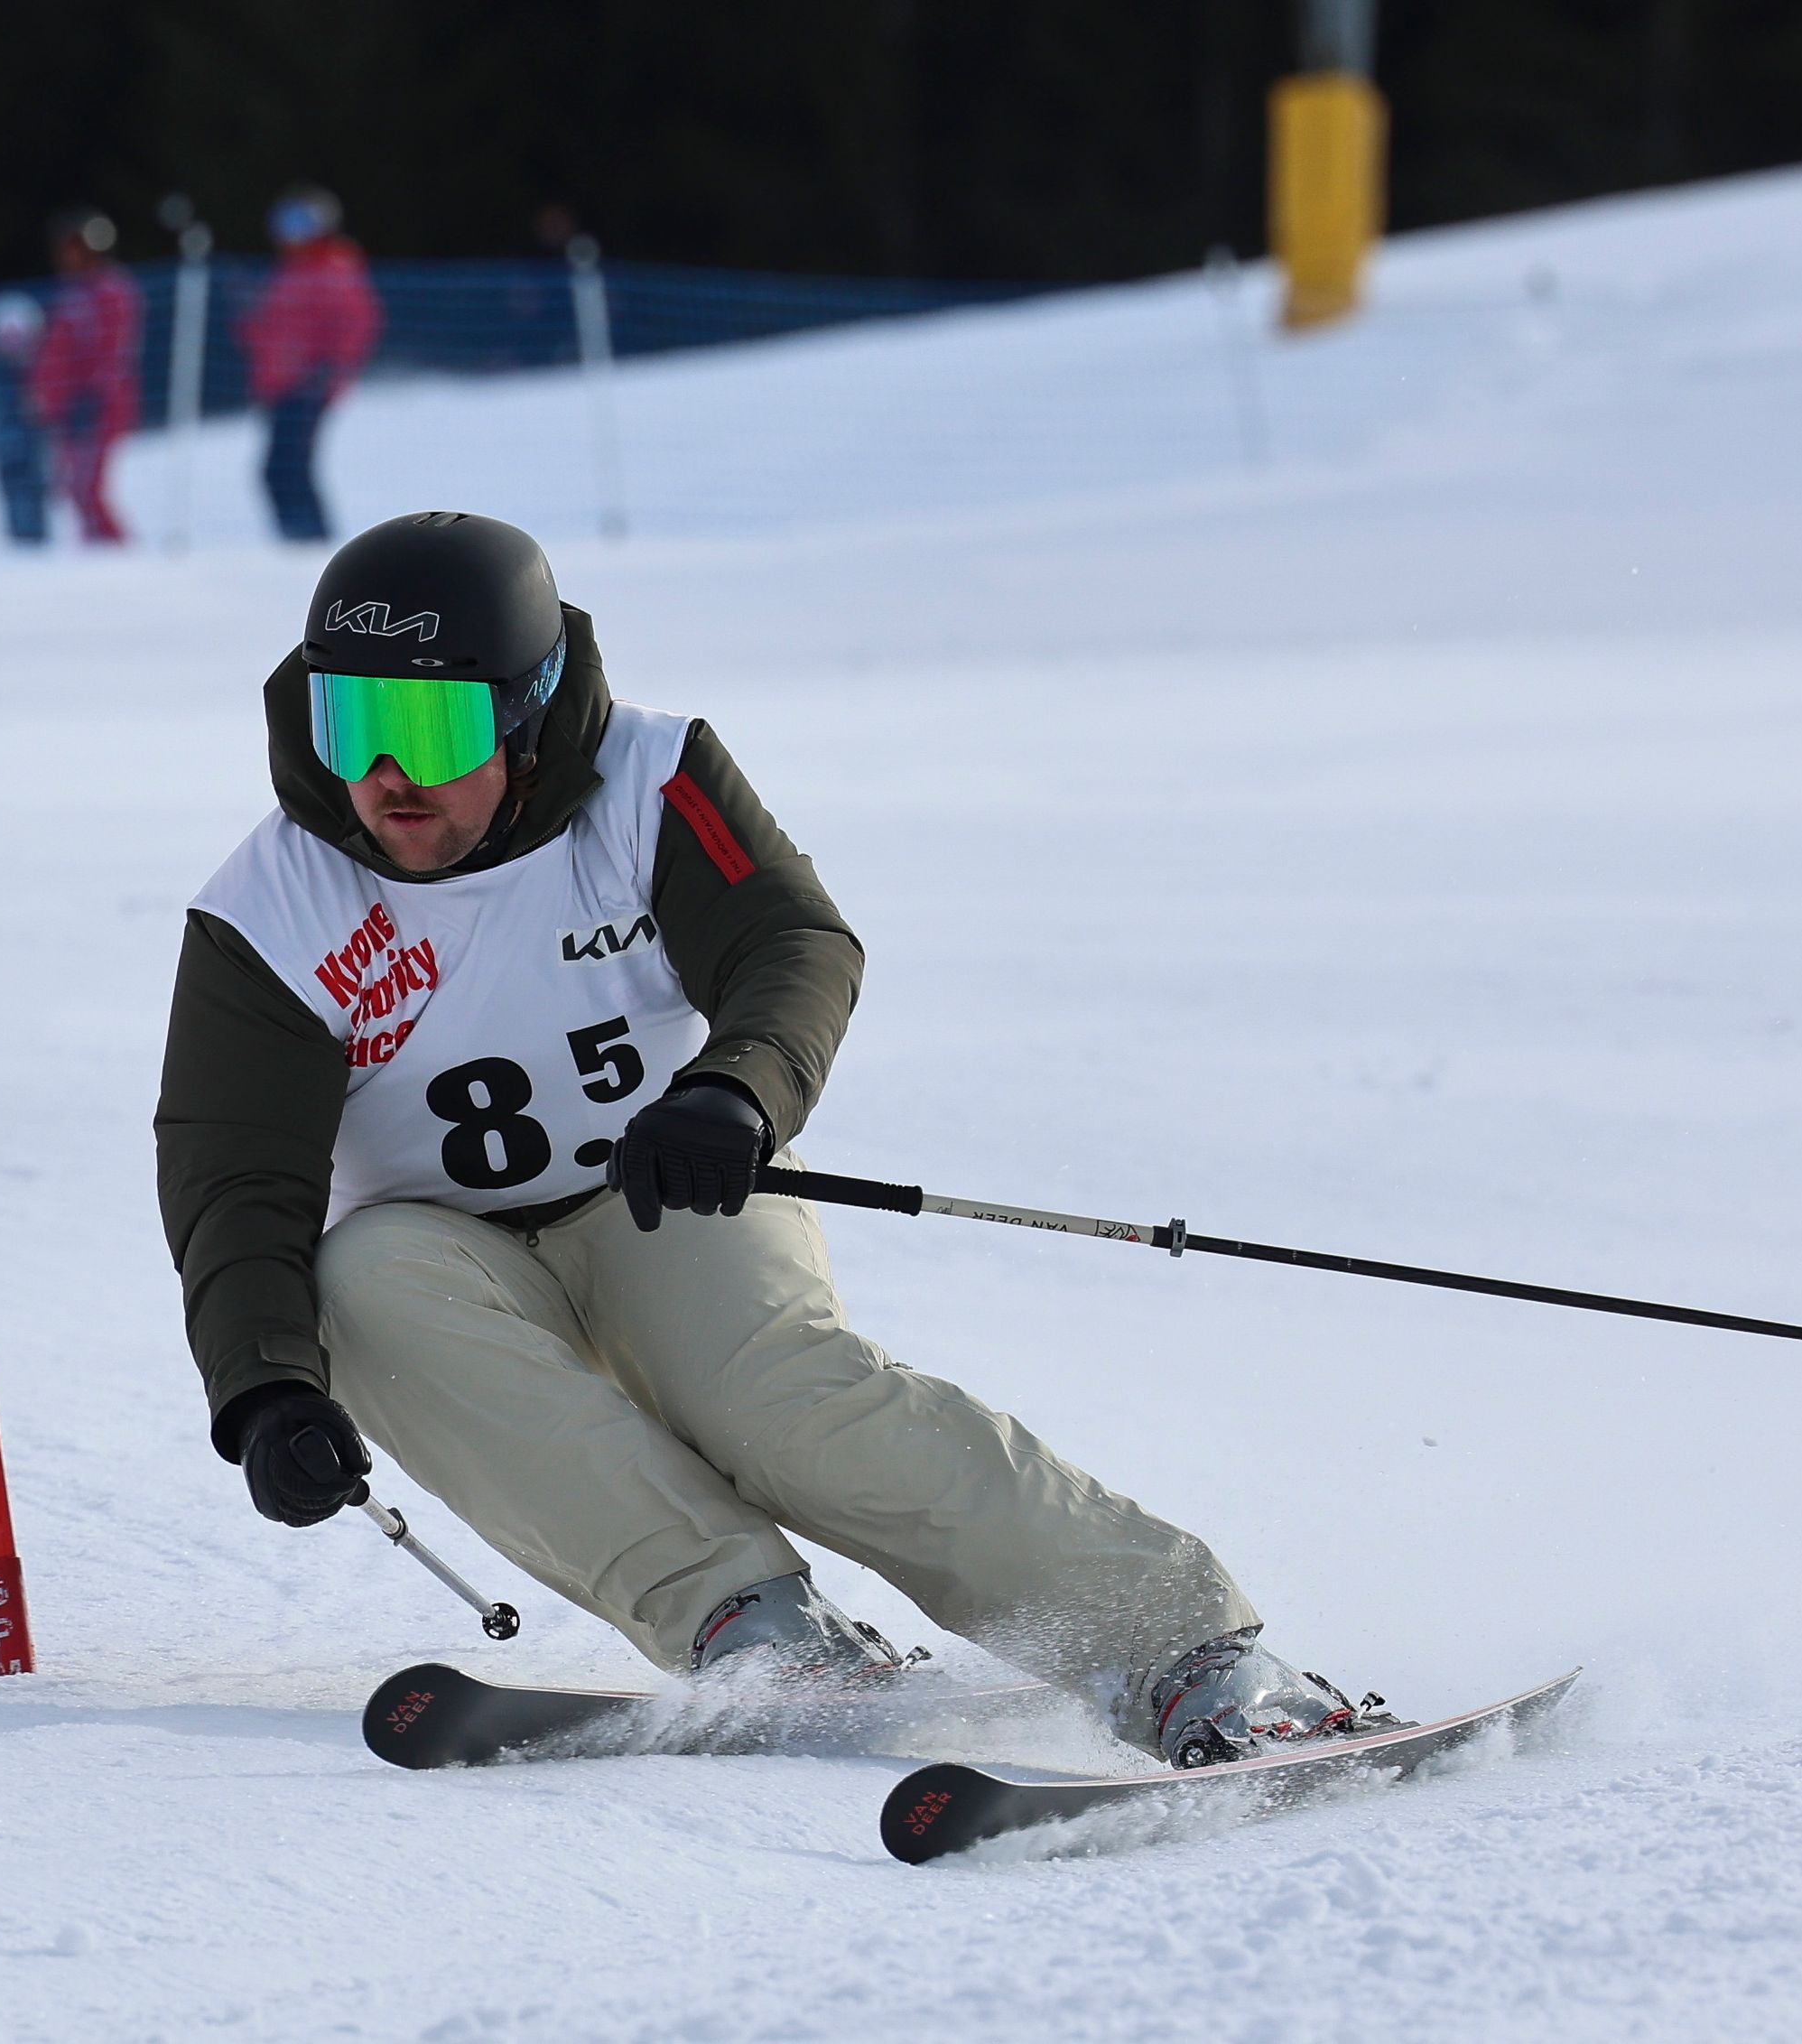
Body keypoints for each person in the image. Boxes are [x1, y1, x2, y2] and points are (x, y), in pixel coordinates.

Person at [153, 511, 1379, 1768]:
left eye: (432, 729)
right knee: (351, 1281)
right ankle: (761, 1632)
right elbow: (234, 1171)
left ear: (528, 714)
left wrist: (732, 1093)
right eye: (348, 726)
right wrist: (264, 1388)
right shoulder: (272, 910)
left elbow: (789, 944)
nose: (384, 778)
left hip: (662, 1180)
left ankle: (1186, 1652)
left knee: (774, 1399)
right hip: (444, 1255)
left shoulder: (650, 780)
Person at [236, 186, 382, 542]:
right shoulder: (289, 272)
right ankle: (299, 538)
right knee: (280, 469)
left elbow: (358, 322)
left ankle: (312, 539)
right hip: (281, 387)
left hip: (308, 387)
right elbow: (265, 330)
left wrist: (331, 367)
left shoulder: (334, 267)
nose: (290, 235)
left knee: (288, 467)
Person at [27, 207, 142, 545]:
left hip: (97, 405)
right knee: (73, 486)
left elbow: (116, 350)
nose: (67, 257)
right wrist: (44, 395)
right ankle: (97, 546)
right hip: (70, 406)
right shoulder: (71, 294)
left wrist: (95, 394)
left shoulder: (112, 290)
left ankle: (112, 548)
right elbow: (56, 352)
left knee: (87, 484)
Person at [0, 292, 51, 547]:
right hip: (7, 447)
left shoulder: (35, 373)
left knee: (34, 489)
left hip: (30, 445)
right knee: (14, 491)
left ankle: (35, 536)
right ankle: (22, 537)